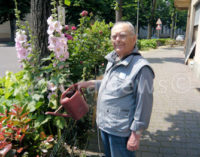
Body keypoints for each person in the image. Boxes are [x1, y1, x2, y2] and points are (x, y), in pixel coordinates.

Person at [77, 21, 155, 157]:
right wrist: (89, 83)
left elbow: (144, 105)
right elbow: (110, 85)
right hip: (105, 125)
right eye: (114, 36)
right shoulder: (114, 59)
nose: (117, 40)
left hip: (121, 132)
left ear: (134, 39)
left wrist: (136, 135)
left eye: (122, 36)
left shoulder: (141, 68)